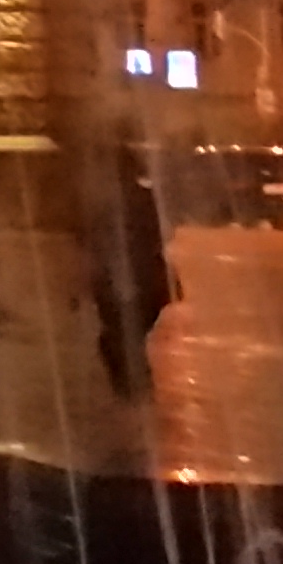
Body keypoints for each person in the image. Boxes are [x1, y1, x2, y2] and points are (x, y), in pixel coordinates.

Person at [84, 126, 176, 399]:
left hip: (129, 277)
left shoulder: (108, 200)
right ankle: (131, 381)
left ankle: (128, 379)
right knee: (128, 328)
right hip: (133, 277)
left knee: (124, 328)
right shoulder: (125, 199)